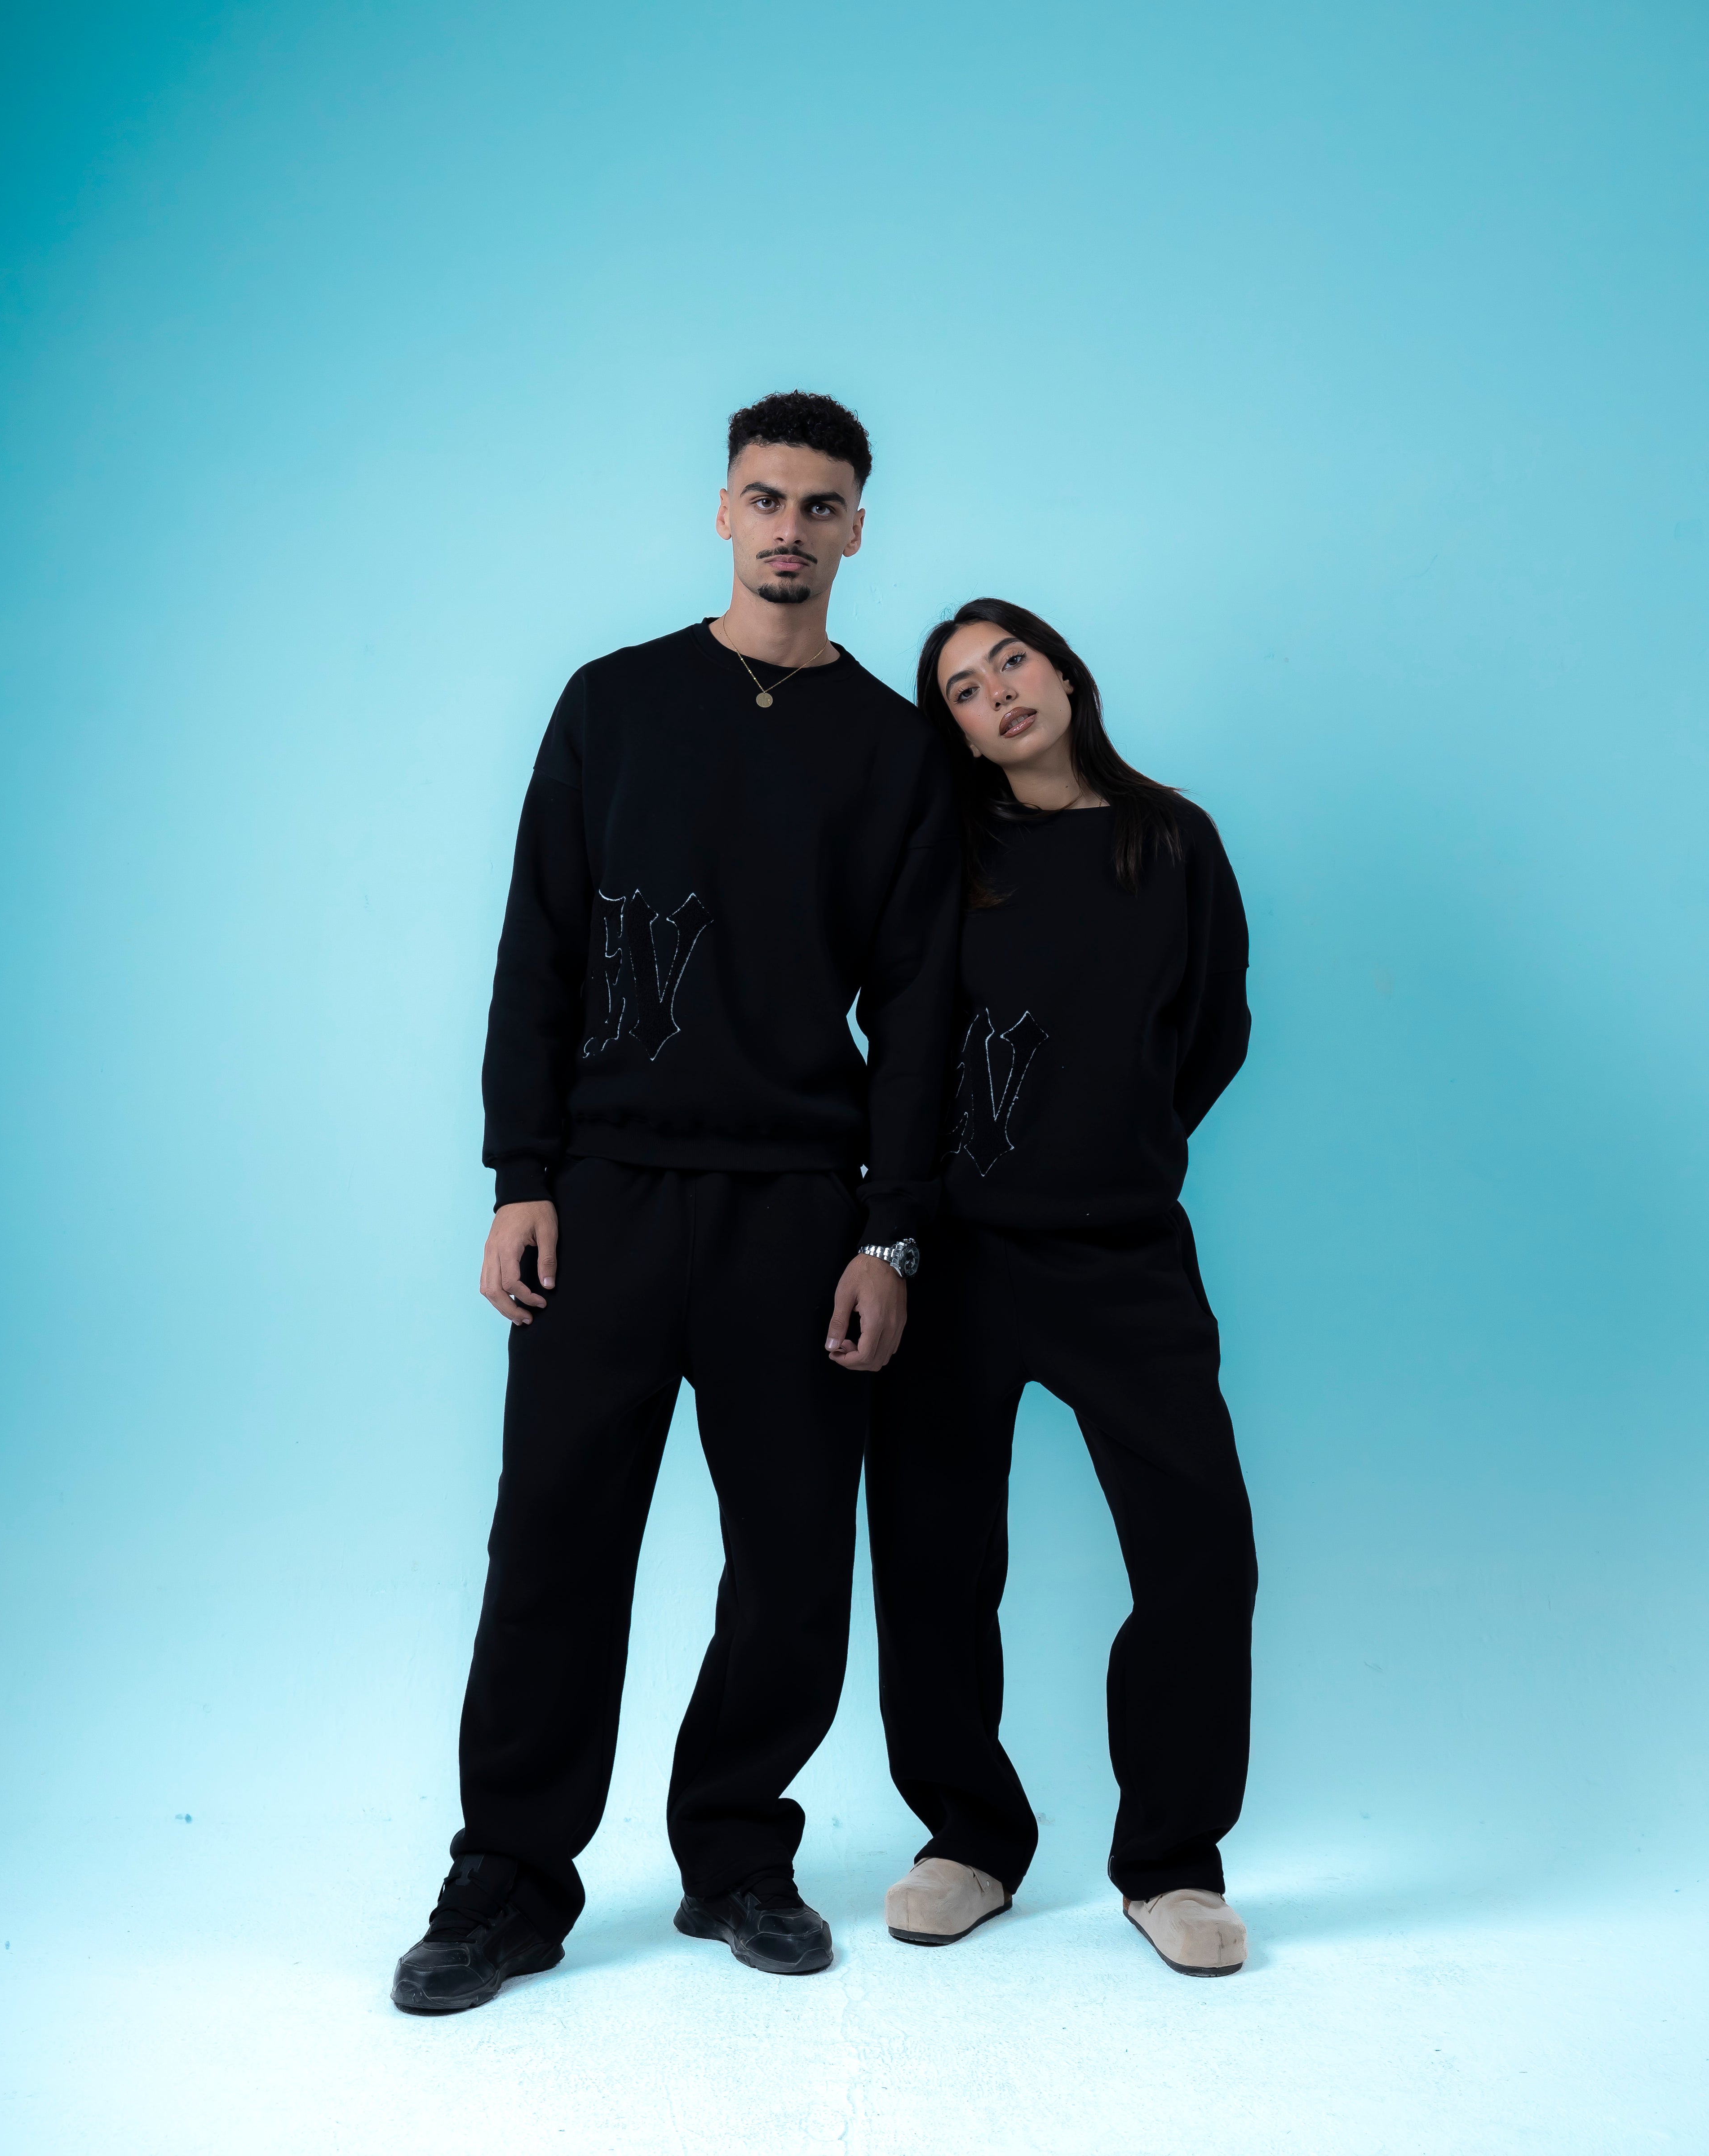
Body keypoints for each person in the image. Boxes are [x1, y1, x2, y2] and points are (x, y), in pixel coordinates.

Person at [392, 393, 959, 2013]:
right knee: (553, 1545)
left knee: (791, 1559)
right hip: (610, 1191)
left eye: (823, 505)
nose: (791, 528)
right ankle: (508, 1881)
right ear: (722, 512)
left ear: (859, 532)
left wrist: (888, 1232)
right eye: (765, 498)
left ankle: (736, 1856)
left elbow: (919, 1009)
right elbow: (540, 948)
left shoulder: (898, 750)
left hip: (799, 1207)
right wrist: (521, 1176)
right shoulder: (615, 702)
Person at [867, 599, 1257, 1977]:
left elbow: (1214, 1029)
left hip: (1123, 1257)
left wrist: (1120, 1145)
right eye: (966, 692)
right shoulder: (950, 855)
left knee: (1201, 1550)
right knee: (932, 1559)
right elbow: (906, 1039)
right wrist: (899, 1227)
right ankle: (968, 1840)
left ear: (1065, 671)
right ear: (960, 736)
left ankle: (1172, 1863)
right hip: (959, 1258)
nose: (1000, 694)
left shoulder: (1174, 841)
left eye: (1012, 661)